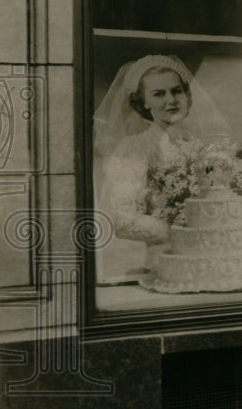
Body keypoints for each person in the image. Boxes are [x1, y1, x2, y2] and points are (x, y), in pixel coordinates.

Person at [93, 53, 231, 283]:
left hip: (217, 258)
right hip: (166, 263)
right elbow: (123, 220)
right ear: (144, 102)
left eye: (176, 91)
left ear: (186, 95)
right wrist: (188, 232)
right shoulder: (134, 147)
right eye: (159, 94)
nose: (171, 100)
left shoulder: (204, 147)